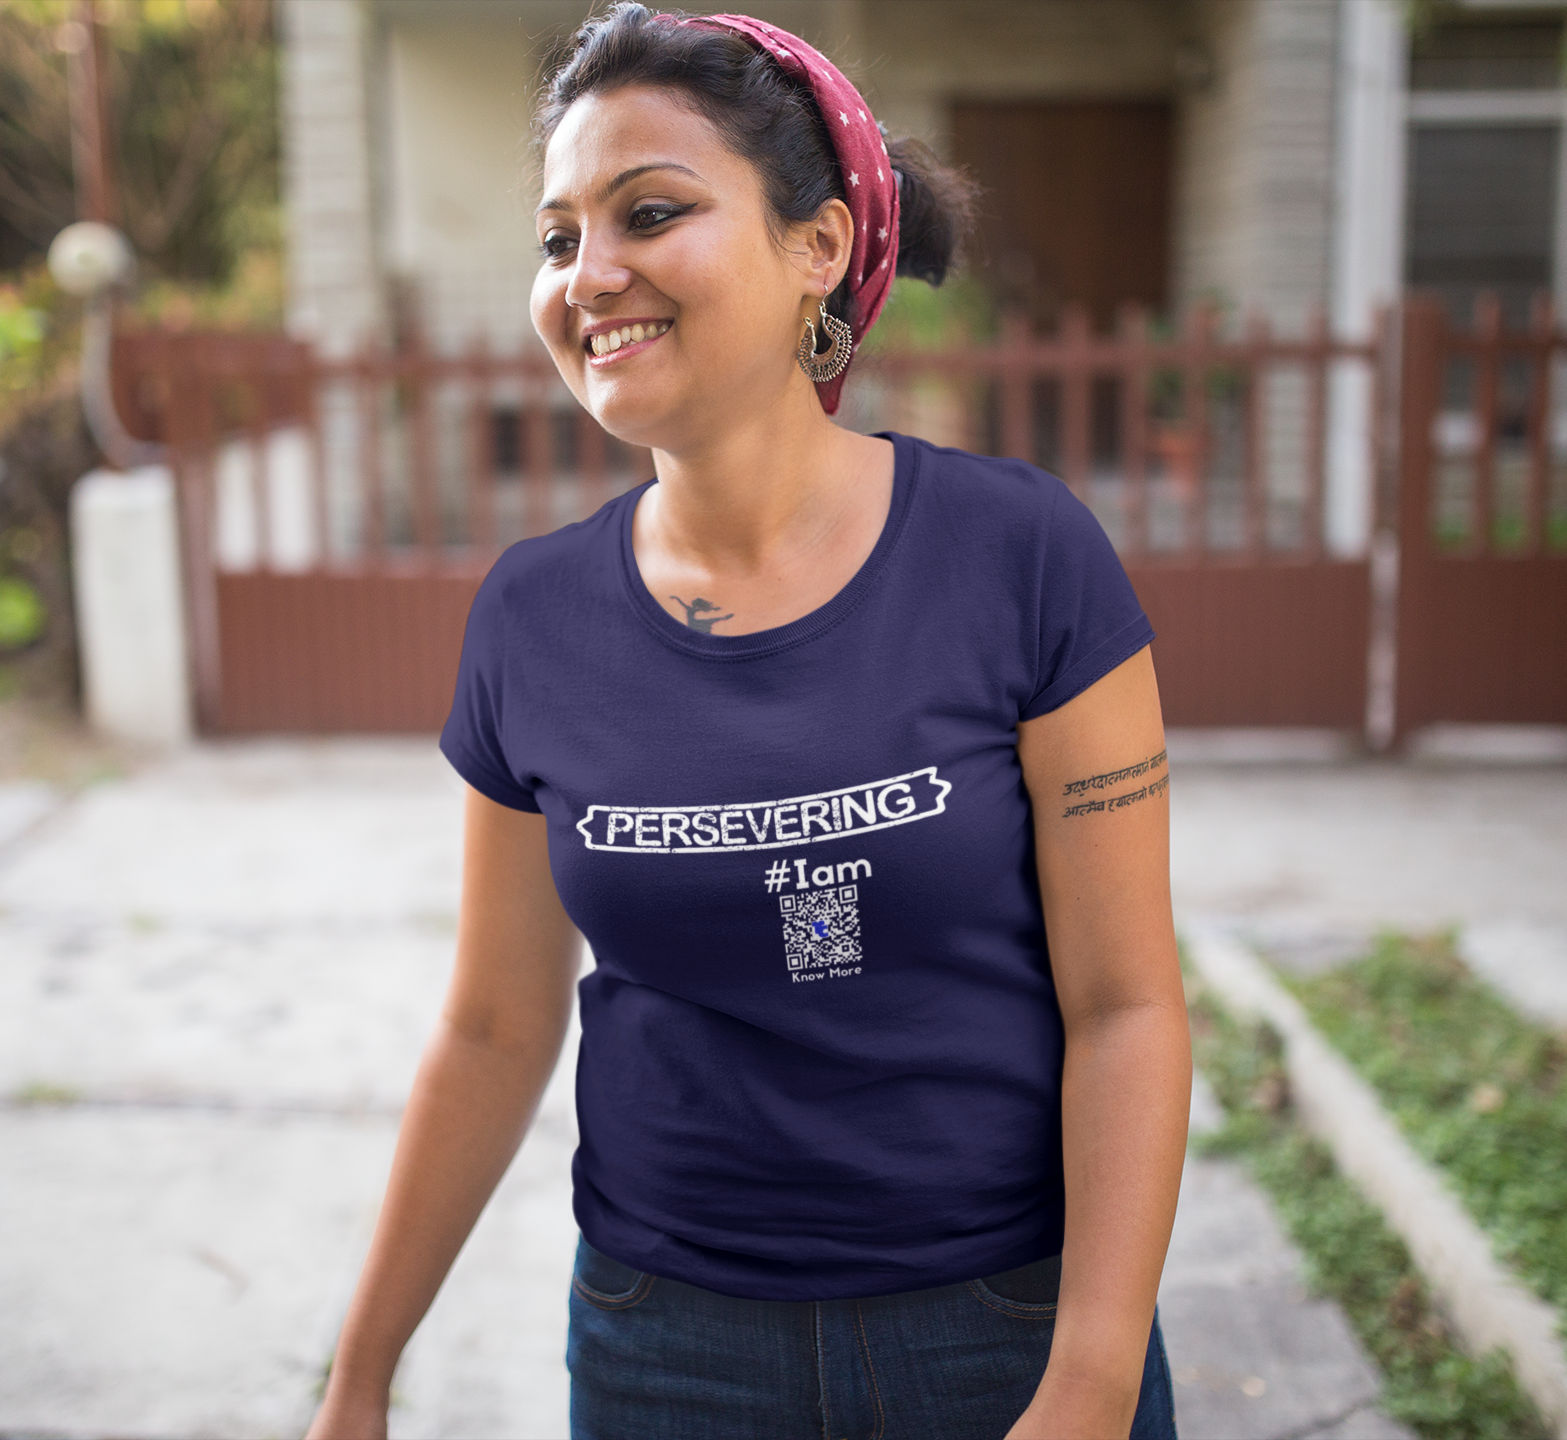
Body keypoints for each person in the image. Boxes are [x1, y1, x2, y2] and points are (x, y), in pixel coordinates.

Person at [305, 6, 1190, 1438]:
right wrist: (358, 1380)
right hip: (670, 1350)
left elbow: (1129, 1004)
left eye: (650, 212)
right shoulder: (532, 619)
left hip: (1006, 1327)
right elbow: (490, 1024)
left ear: (819, 248)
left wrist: (1090, 1378)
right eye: (555, 238)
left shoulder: (1020, 558)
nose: (589, 275)